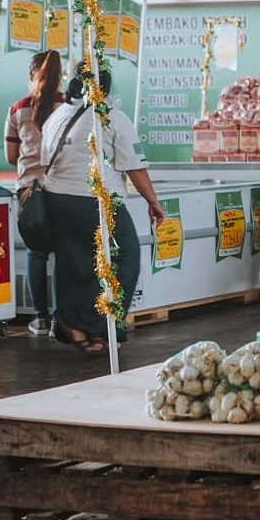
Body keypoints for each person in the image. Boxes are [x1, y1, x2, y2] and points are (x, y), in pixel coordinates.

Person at [41, 66, 164, 354]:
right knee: (126, 257)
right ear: (106, 89)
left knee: (76, 265)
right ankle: (100, 328)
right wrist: (152, 201)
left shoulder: (57, 116)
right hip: (97, 200)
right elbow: (134, 166)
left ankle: (77, 326)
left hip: (56, 199)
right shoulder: (110, 117)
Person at [4, 50, 64, 336]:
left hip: (30, 191)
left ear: (31, 76)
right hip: (66, 191)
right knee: (66, 254)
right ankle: (61, 321)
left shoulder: (18, 109)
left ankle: (40, 318)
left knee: (36, 253)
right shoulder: (70, 106)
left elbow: (10, 156)